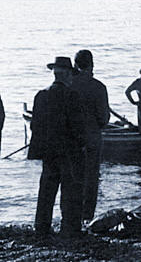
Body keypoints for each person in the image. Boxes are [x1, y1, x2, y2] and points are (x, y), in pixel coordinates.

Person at [30, 57, 87, 238]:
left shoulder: (41, 95)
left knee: (46, 189)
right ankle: (70, 228)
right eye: (71, 75)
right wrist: (83, 145)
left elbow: (34, 126)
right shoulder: (72, 96)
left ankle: (41, 226)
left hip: (48, 151)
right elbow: (78, 127)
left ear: (55, 73)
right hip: (69, 151)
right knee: (70, 191)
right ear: (68, 74)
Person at [71, 50, 110, 222]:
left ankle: (71, 218)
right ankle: (87, 217)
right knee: (91, 178)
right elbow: (104, 118)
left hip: (71, 138)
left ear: (75, 64)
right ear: (92, 64)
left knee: (71, 178)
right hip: (92, 136)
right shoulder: (99, 87)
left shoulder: (69, 85)